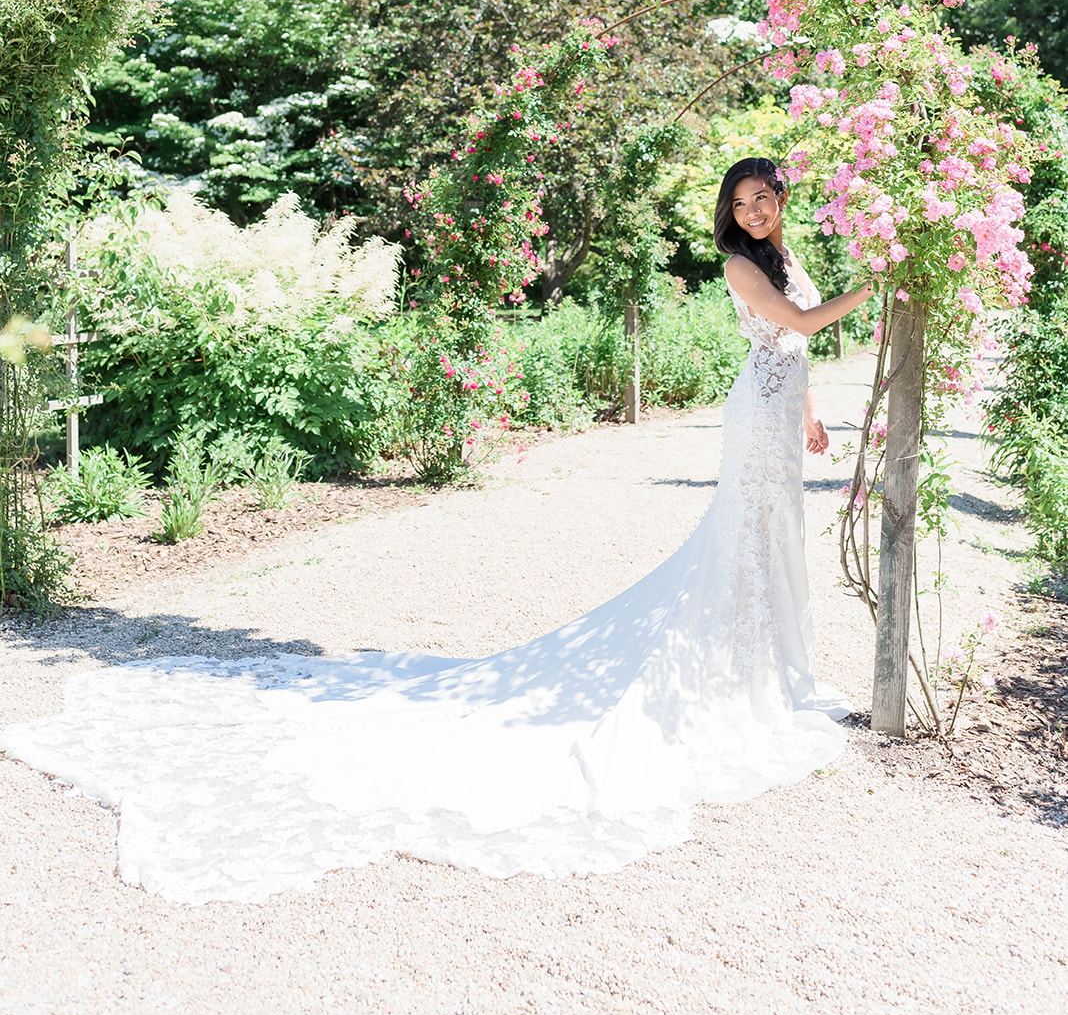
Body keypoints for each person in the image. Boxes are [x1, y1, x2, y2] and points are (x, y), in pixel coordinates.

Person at [2, 158, 876, 906]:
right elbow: (797, 327)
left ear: (780, 203)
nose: (753, 211)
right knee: (738, 542)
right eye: (742, 201)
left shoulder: (783, 254)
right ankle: (740, 672)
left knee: (770, 544)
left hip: (775, 417)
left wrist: (809, 415)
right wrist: (871, 287)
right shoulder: (737, 265)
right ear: (728, 211)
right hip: (747, 422)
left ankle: (763, 666)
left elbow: (788, 350)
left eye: (764, 198)